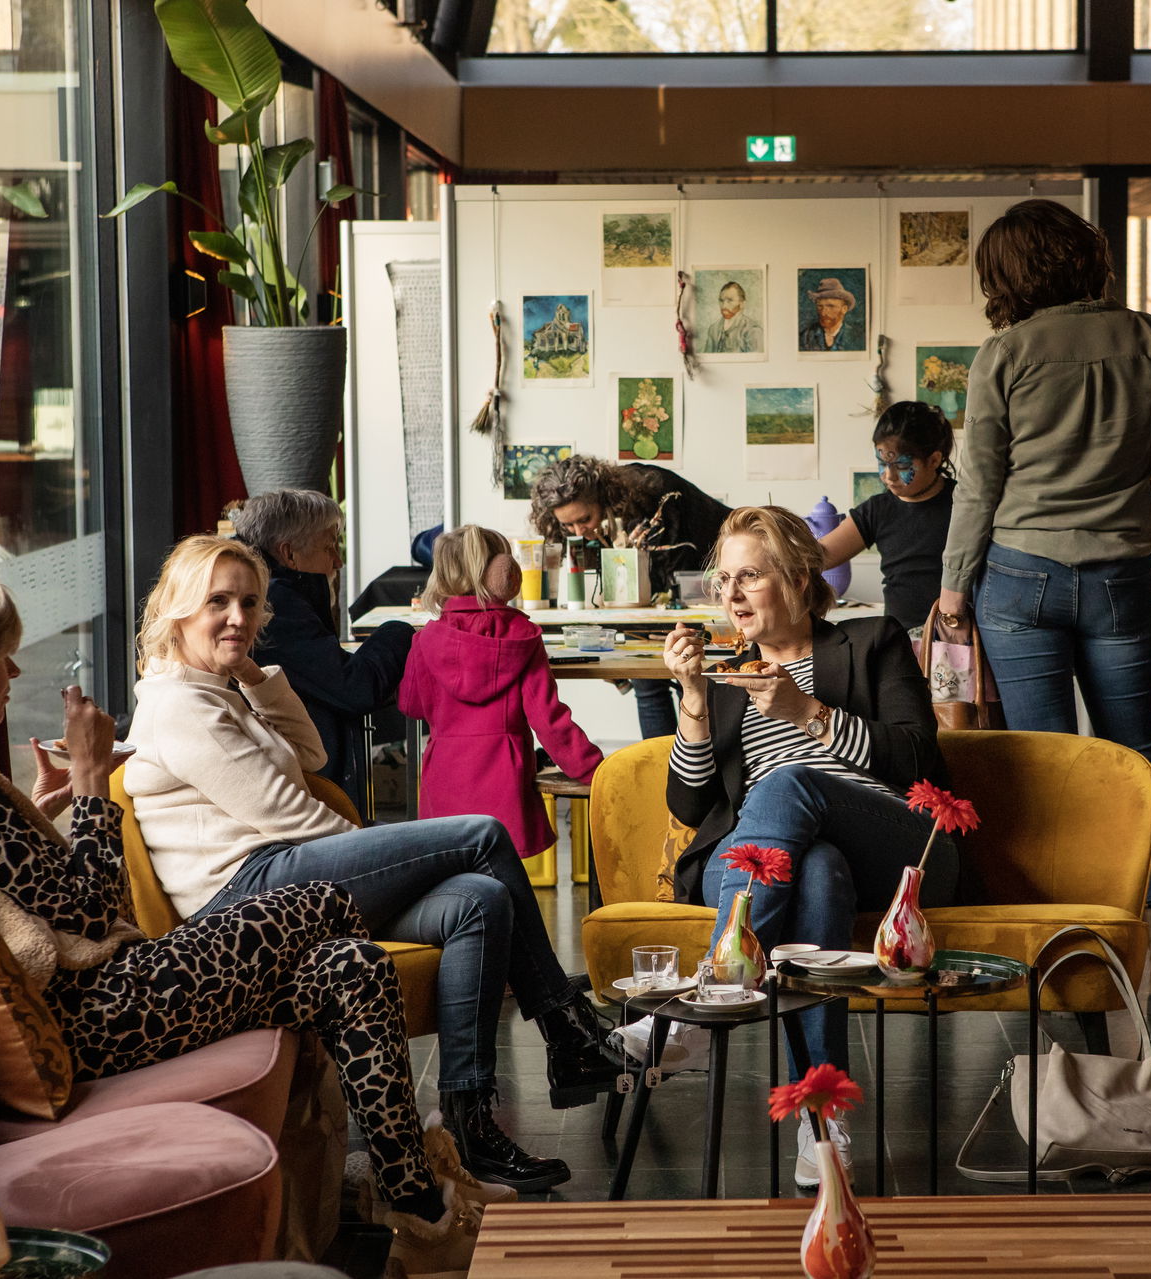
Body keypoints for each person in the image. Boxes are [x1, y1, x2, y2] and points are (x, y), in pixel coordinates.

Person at [0, 569, 482, 1273]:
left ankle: (416, 1212)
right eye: (1, 653)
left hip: (96, 999)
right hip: (94, 1013)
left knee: (350, 967)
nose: (15, 670)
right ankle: (418, 1186)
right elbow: (87, 907)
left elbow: (8, 889)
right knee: (324, 900)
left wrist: (46, 806)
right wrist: (89, 781)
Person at [122, 535, 620, 1191]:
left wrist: (256, 676)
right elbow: (290, 815)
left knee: (479, 898)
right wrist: (390, 857)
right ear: (179, 608)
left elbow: (310, 754)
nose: (239, 617)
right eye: (218, 601)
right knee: (480, 835)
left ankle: (471, 1124)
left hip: (284, 874)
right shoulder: (180, 705)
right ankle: (565, 1027)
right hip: (246, 900)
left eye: (248, 602)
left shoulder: (220, 688)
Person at [936, 198, 1151, 1015]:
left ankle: (1065, 955)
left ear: (1008, 275)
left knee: (1049, 763)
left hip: (1018, 575)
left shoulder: (1003, 354)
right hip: (1119, 574)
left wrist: (954, 587)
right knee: (1141, 758)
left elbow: (980, 488)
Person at [660, 506, 950, 1189]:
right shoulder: (728, 675)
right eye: (722, 579)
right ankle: (819, 1117)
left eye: (748, 577)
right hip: (777, 865)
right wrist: (695, 695)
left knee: (792, 783)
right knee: (817, 871)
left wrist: (806, 714)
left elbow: (917, 761)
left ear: (795, 578)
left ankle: (714, 991)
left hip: (886, 838)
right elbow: (690, 806)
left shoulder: (871, 640)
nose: (729, 595)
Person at [399, 525, 604, 858]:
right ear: (503, 571)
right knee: (502, 874)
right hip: (504, 778)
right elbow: (549, 719)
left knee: (454, 880)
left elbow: (411, 704)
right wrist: (595, 770)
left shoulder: (425, 640)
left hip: (444, 777)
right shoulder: (521, 635)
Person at [230, 489, 413, 816]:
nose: (338, 561)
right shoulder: (275, 602)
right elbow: (356, 687)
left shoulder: (265, 589)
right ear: (289, 554)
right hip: (302, 803)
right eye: (330, 546)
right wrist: (400, 631)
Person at [530, 455, 731, 738]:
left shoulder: (652, 493)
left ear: (602, 497)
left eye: (584, 519)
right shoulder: (589, 529)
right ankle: (660, 772)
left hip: (711, 573)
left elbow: (671, 578)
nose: (579, 531)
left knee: (700, 681)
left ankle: (700, 771)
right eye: (569, 525)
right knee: (647, 684)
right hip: (678, 589)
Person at [818, 401, 959, 628]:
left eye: (902, 467)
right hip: (899, 641)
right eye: (882, 463)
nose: (888, 476)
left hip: (958, 637)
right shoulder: (877, 510)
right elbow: (820, 556)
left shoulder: (964, 505)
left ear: (934, 460)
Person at [798, 277, 865, 353]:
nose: (823, 313)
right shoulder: (805, 337)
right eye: (820, 306)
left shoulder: (858, 337)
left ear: (844, 309)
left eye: (831, 306)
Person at [703, 279, 763, 354]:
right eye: (721, 301)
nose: (724, 306)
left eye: (730, 300)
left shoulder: (753, 331)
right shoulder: (713, 329)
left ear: (742, 304)